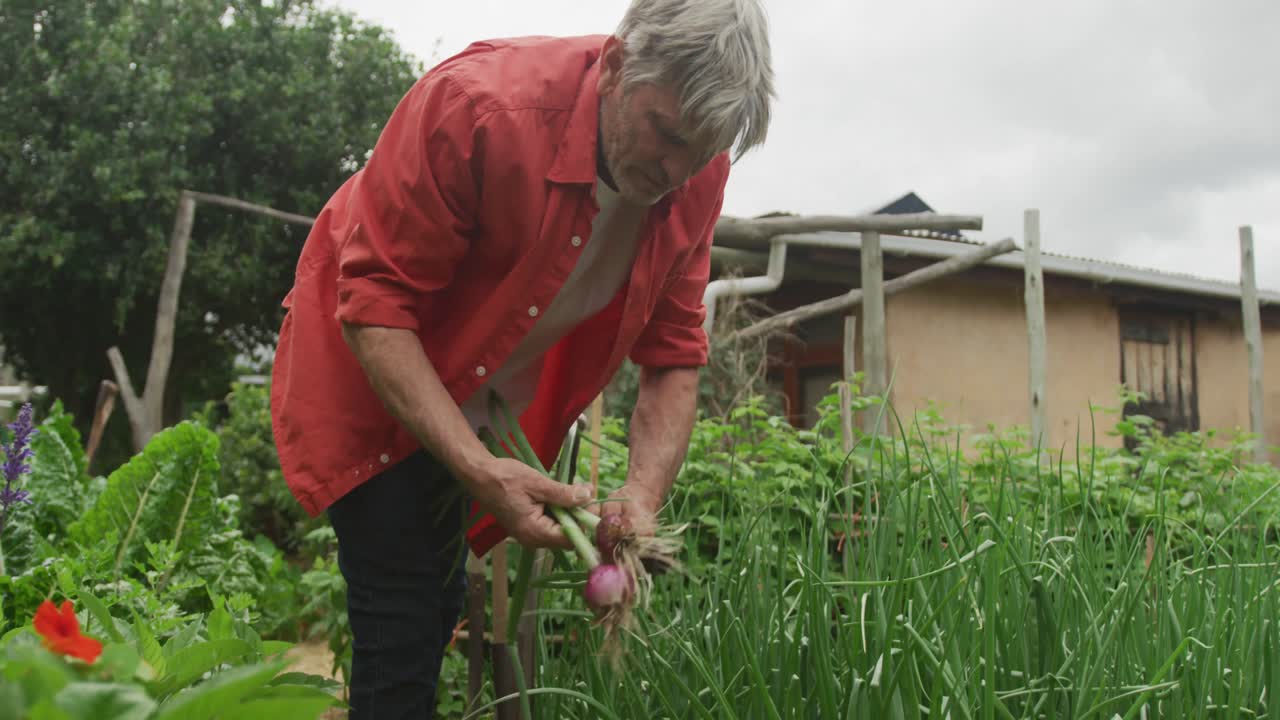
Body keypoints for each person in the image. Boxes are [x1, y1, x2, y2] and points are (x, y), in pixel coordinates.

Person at [269, 0, 774, 715]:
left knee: (433, 602)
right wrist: (479, 471)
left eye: (701, 151)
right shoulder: (478, 108)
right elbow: (377, 308)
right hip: (372, 374)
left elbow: (674, 356)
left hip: (480, 404)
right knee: (404, 616)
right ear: (617, 67)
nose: (676, 169)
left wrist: (641, 496)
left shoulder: (694, 169)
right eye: (665, 135)